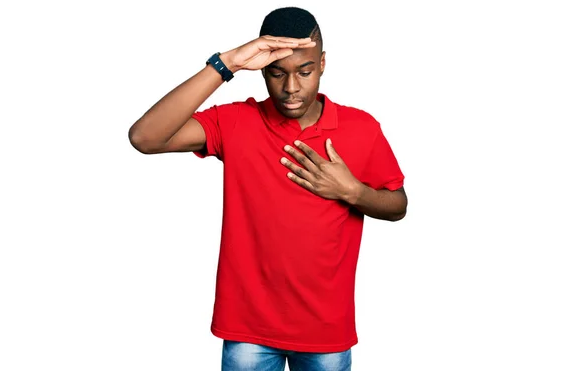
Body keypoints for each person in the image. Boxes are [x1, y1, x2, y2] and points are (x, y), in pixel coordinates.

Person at [128, 6, 407, 371]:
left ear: (323, 63)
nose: (291, 87)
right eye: (277, 74)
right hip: (248, 329)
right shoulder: (236, 122)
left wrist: (352, 191)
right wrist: (225, 63)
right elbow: (144, 137)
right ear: (262, 70)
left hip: (325, 331)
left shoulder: (361, 127)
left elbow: (398, 205)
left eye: (305, 72)